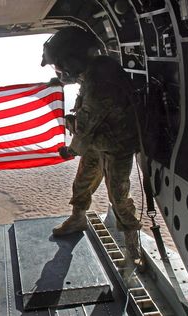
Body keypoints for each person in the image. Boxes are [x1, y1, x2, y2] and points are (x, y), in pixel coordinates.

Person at [41, 27, 142, 262]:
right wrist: (61, 80)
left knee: (118, 195)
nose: (60, 71)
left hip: (116, 147)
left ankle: (132, 244)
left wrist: (70, 150)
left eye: (60, 66)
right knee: (82, 183)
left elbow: (86, 127)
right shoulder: (97, 69)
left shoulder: (99, 83)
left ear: (73, 61)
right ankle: (78, 218)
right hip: (100, 142)